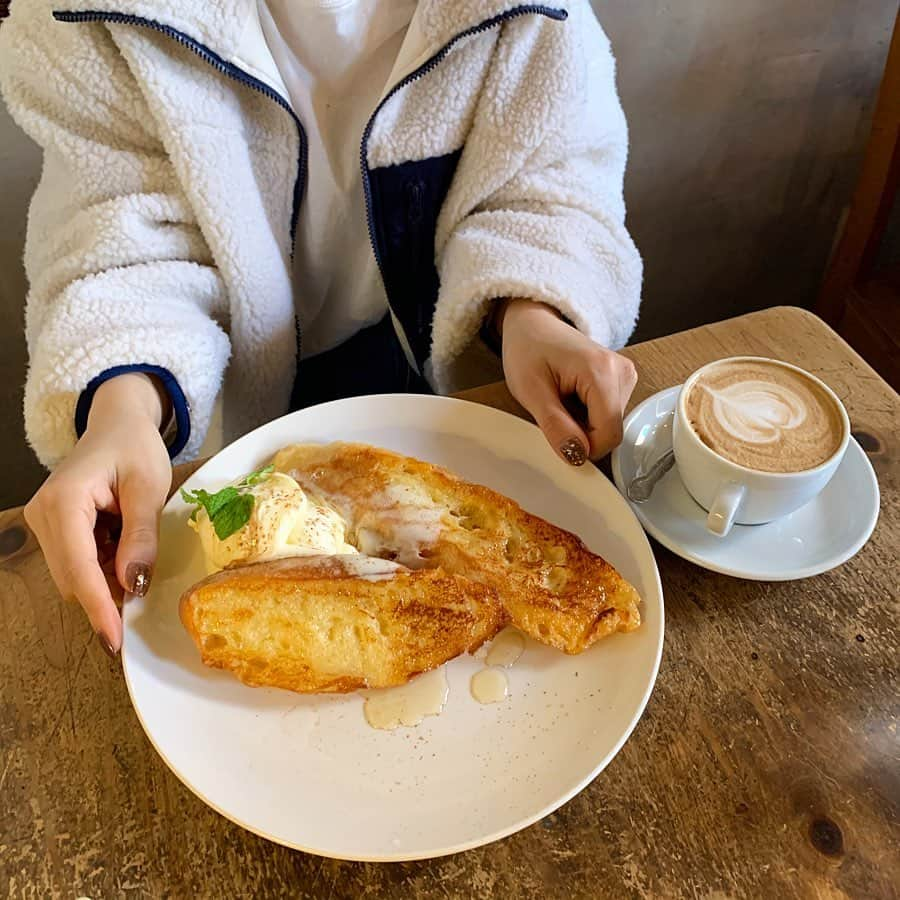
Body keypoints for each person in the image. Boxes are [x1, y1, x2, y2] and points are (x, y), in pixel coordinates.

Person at [0, 0, 642, 657]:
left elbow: (544, 179)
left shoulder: (532, 16)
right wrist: (121, 405)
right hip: (227, 415)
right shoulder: (101, 13)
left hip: (449, 391)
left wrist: (530, 310)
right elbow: (126, 230)